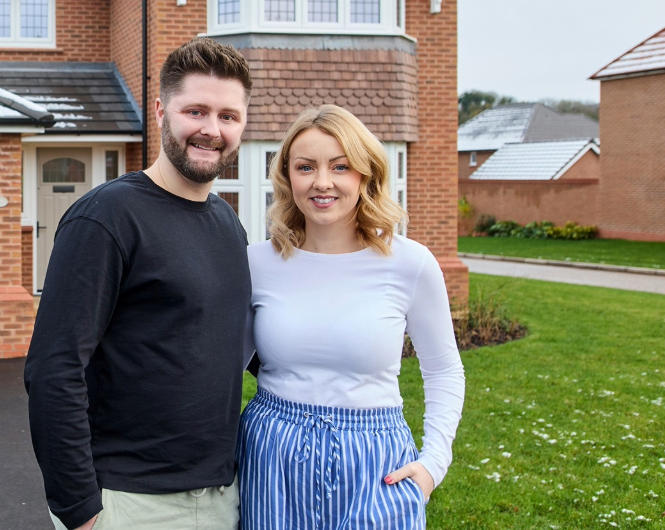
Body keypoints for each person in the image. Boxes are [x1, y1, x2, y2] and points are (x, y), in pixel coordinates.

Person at [24, 37, 254, 530]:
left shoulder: (229, 225)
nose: (211, 130)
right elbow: (53, 369)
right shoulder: (107, 217)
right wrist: (80, 510)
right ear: (160, 111)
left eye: (228, 116)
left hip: (219, 498)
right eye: (196, 111)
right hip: (129, 503)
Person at [238, 105, 464, 529]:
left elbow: (444, 369)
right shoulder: (256, 263)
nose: (322, 182)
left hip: (376, 461)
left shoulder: (410, 263)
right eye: (306, 167)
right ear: (288, 177)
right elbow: (221, 369)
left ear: (366, 175)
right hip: (273, 455)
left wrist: (434, 463)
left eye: (340, 166)